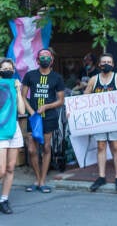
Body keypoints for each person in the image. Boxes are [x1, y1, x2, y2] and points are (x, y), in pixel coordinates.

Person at [84, 53, 117, 192]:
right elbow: (85, 97)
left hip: (115, 118)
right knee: (101, 146)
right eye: (104, 61)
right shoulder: (94, 80)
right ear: (99, 64)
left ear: (113, 64)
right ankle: (101, 176)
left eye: (109, 62)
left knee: (116, 146)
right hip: (99, 118)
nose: (106, 64)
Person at [21, 48, 65, 193]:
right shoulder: (30, 75)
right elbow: (23, 96)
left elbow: (60, 101)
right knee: (32, 149)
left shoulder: (57, 78)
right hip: (33, 118)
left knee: (46, 148)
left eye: (48, 56)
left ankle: (42, 181)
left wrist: (46, 106)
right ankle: (37, 178)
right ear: (37, 60)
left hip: (49, 117)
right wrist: (31, 111)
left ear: (51, 60)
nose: (45, 59)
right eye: (42, 56)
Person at [0, 59, 25, 214]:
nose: (7, 70)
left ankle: (4, 199)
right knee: (1, 170)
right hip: (1, 131)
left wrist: (18, 91)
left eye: (10, 68)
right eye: (4, 68)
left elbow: (22, 111)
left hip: (14, 130)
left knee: (10, 168)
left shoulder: (14, 85)